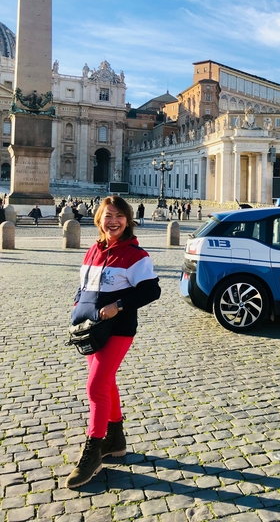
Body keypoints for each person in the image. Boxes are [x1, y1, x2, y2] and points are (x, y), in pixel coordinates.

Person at [65, 196, 161, 489]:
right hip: (91, 326)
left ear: (128, 220)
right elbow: (84, 286)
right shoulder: (94, 249)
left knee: (95, 386)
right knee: (106, 382)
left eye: (119, 216)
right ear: (99, 220)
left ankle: (93, 450)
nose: (113, 221)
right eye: (108, 216)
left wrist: (118, 304)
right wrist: (77, 304)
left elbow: (151, 291)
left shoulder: (137, 255)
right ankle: (115, 440)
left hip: (118, 328)